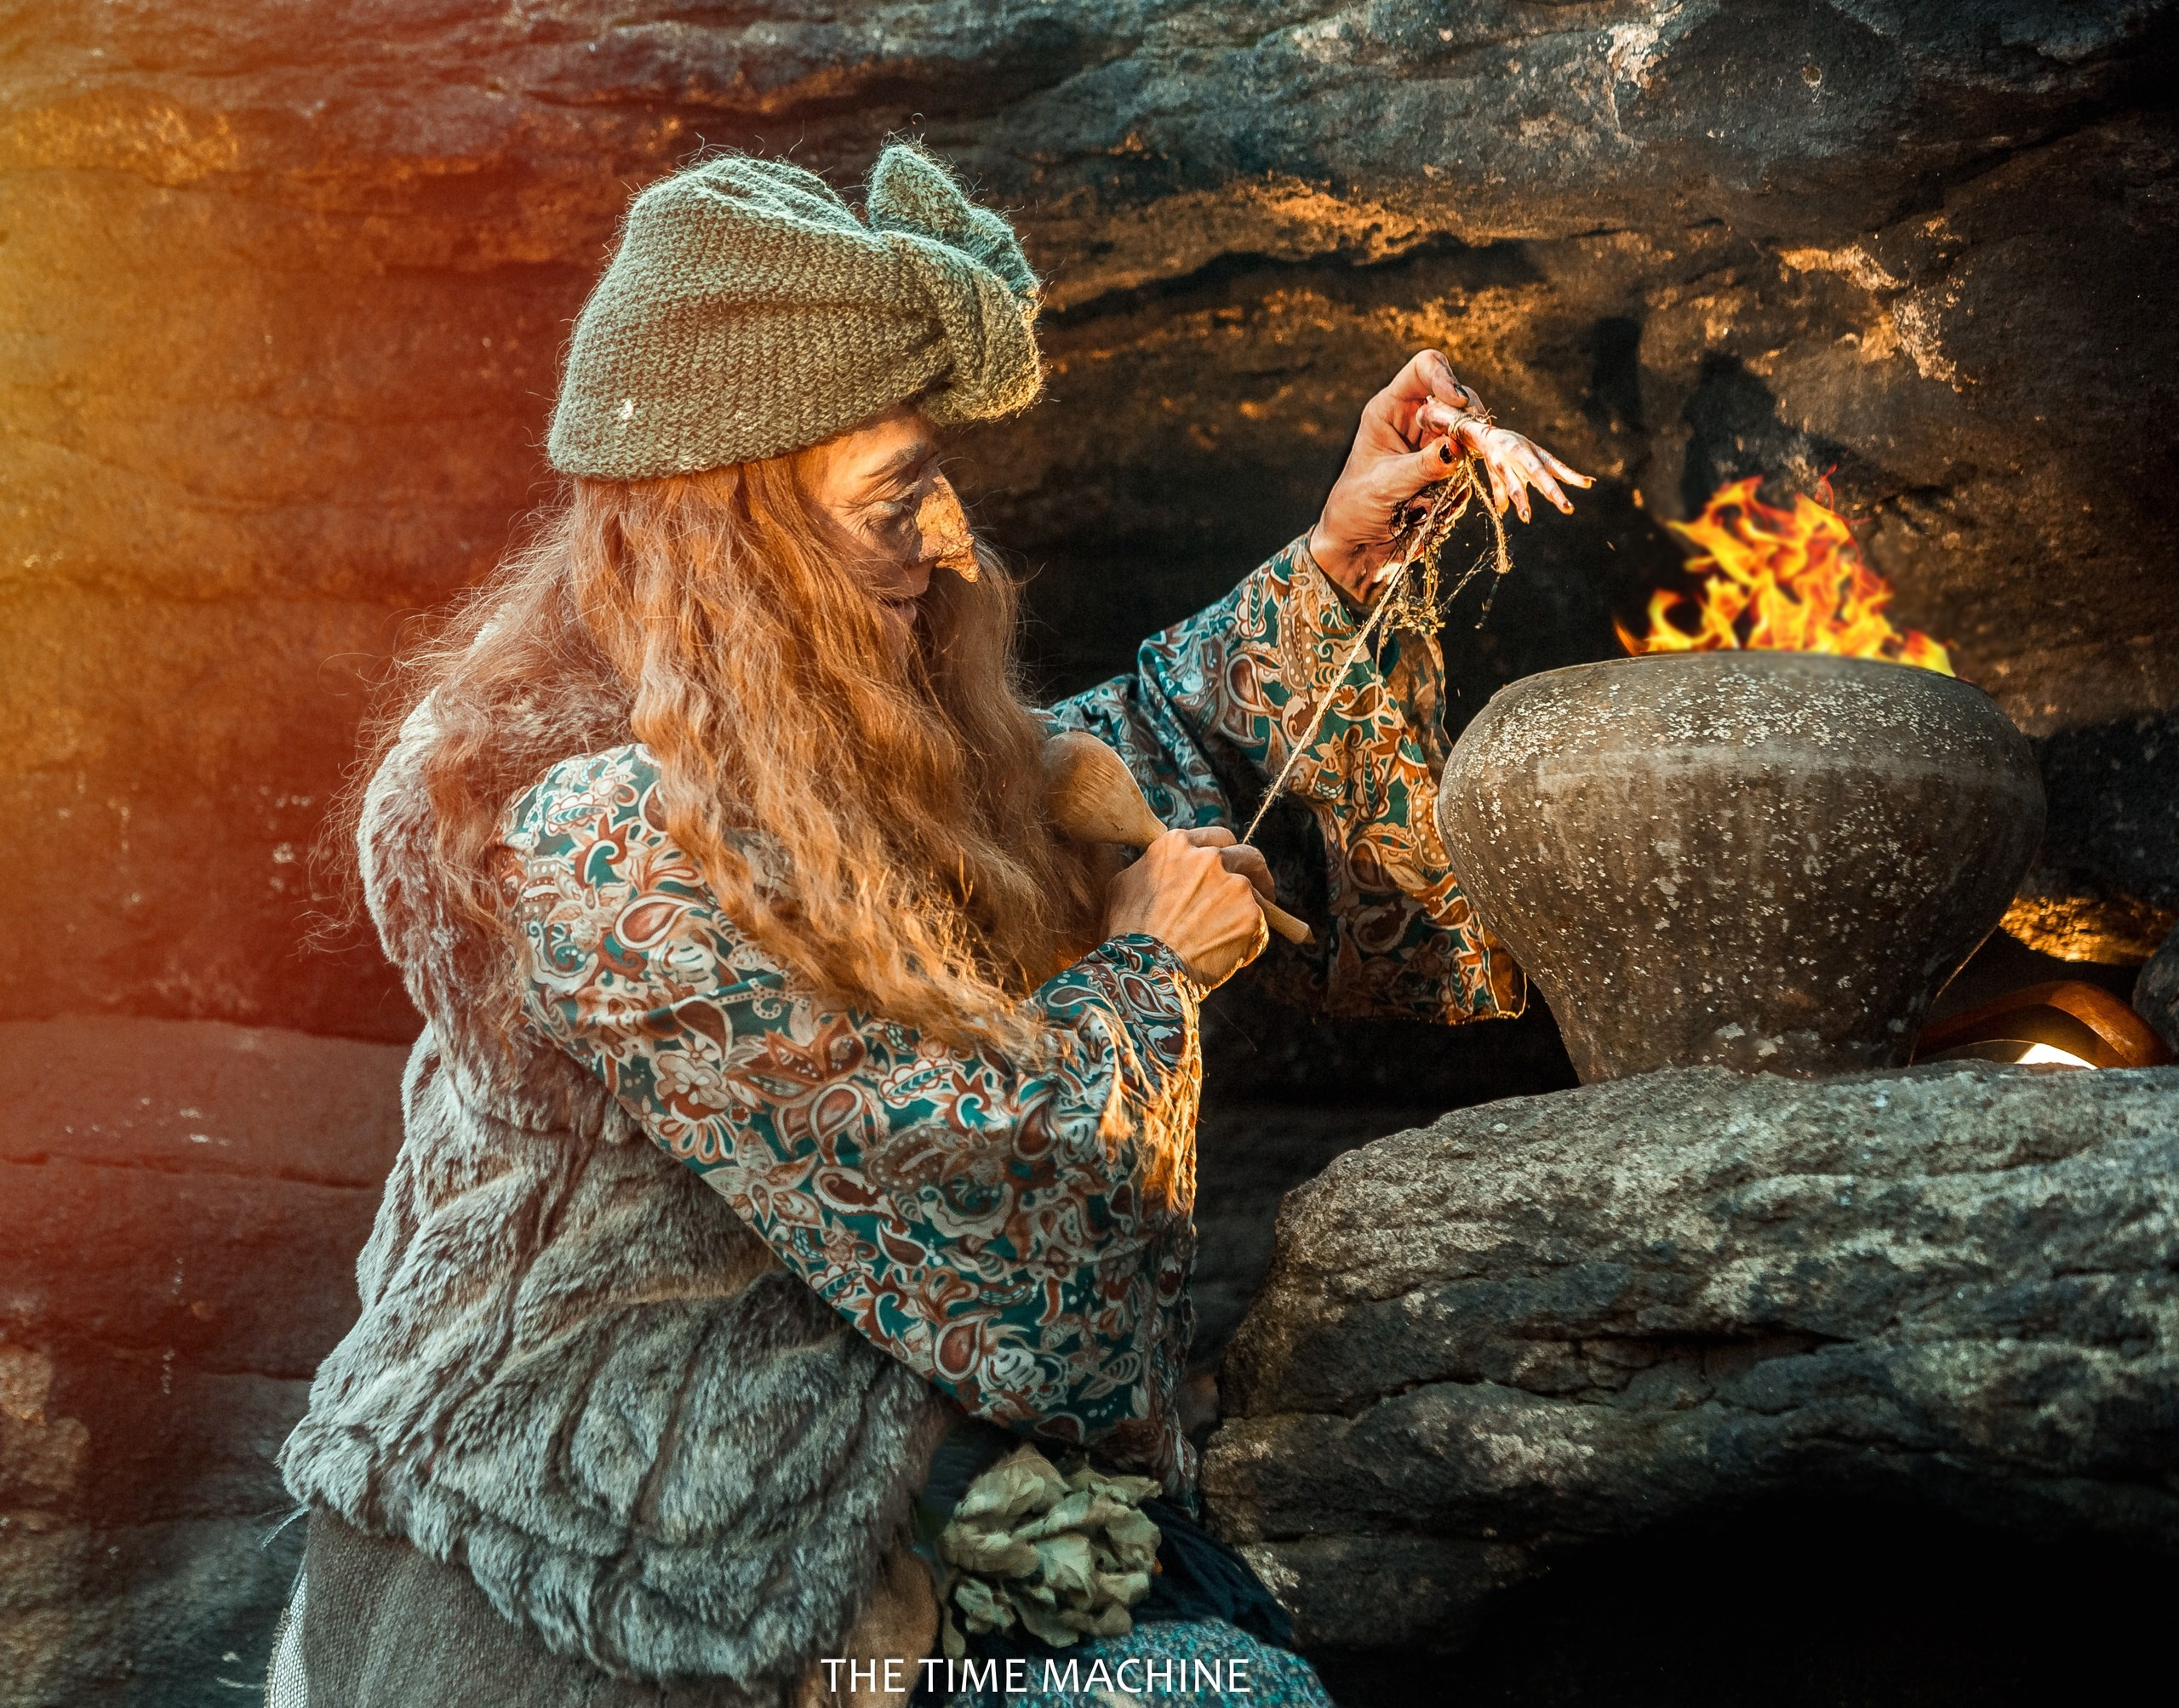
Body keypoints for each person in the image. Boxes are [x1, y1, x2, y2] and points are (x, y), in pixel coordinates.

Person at [266, 141, 1589, 1708]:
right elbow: (951, 1173)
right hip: (633, 1552)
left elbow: (1061, 783)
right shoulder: (588, 826)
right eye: (897, 502)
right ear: (732, 534)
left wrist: (1341, 555)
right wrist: (1147, 976)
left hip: (869, 1473)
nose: (953, 540)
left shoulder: (791, 729)